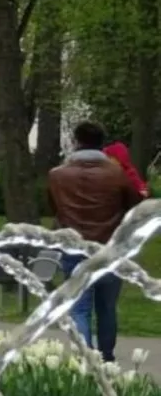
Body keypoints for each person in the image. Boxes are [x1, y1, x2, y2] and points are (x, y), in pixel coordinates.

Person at [48, 121, 143, 361]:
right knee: (107, 308)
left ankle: (86, 360)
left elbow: (54, 208)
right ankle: (107, 357)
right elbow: (134, 205)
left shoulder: (58, 175)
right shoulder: (117, 174)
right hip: (109, 248)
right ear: (102, 143)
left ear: (76, 141)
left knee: (79, 308)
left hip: (73, 247)